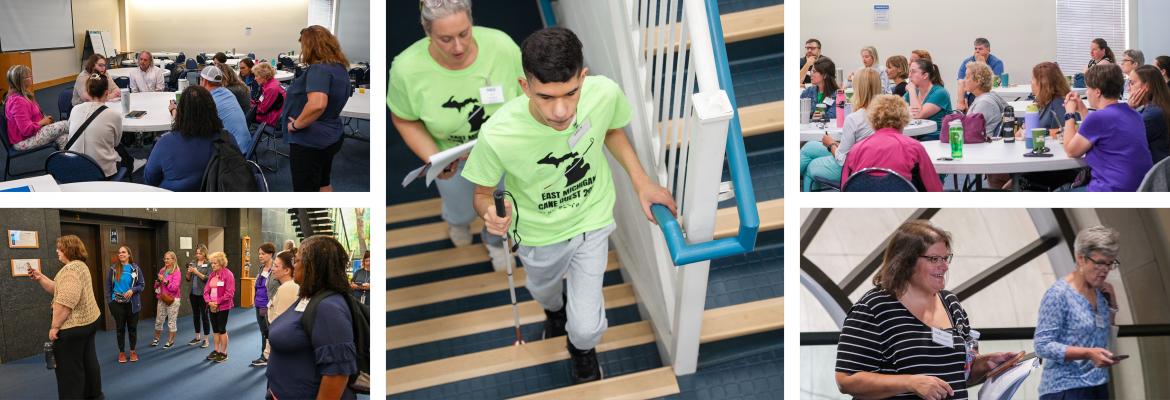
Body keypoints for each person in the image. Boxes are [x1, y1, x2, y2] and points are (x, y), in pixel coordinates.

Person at [462, 27, 677, 384]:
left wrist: (641, 181)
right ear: (524, 85)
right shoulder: (498, 132)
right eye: (546, 97)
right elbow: (482, 194)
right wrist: (488, 214)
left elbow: (610, 129)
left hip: (592, 219)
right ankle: (553, 311)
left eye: (571, 93)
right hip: (536, 233)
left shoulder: (603, 93)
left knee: (587, 326)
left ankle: (581, 349)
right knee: (545, 291)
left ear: (583, 78)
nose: (560, 111)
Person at [388, 0, 518, 266]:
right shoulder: (406, 68)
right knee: (459, 208)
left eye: (464, 34)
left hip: (505, 154)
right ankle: (457, 223)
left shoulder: (502, 46)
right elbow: (404, 119)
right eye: (445, 39)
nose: (458, 47)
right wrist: (433, 156)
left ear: (471, 22)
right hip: (454, 159)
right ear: (427, 33)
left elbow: (527, 97)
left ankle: (494, 241)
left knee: (503, 209)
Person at [835, 221, 1016, 400]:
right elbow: (847, 379)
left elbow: (960, 374)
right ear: (905, 262)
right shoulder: (874, 308)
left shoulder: (951, 303)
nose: (944, 266)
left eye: (946, 258)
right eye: (934, 259)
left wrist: (984, 365)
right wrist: (909, 383)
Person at [1035, 226, 1124, 399]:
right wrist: (1087, 353)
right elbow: (1042, 346)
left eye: (1110, 263)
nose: (1105, 269)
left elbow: (1104, 340)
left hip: (1098, 385)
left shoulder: (1100, 294)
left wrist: (1112, 306)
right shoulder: (1059, 294)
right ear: (1081, 258)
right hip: (1065, 389)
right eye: (1100, 262)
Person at [267, 236, 358, 399]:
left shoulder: (329, 307)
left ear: (312, 266)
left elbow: (337, 373)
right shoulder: (309, 297)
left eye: (297, 260)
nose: (294, 265)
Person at [27, 236, 104, 400]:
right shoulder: (80, 266)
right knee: (88, 361)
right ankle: (94, 395)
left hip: (73, 329)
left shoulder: (70, 271)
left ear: (68, 250)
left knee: (68, 372)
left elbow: (65, 302)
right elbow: (59, 289)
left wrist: (55, 327)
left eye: (59, 248)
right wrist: (41, 277)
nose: (57, 251)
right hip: (89, 323)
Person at [282, 25, 352, 192]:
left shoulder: (319, 69)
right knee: (323, 183)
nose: (302, 51)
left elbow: (317, 104)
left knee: (305, 191)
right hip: (330, 135)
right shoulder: (339, 68)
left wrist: (296, 125)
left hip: (310, 141)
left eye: (302, 46)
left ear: (310, 46)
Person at [1062, 64, 1152, 191]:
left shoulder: (1099, 118)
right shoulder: (1134, 114)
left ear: (1097, 92)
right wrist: (1081, 108)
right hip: (1138, 188)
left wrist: (1069, 113)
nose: (1087, 93)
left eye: (1088, 89)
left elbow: (1071, 151)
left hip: (1110, 190)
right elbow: (1096, 129)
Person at [841, 94, 944, 191]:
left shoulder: (856, 150)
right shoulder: (915, 147)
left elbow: (845, 187)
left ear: (872, 119)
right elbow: (934, 189)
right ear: (904, 119)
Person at [145, 86, 238, 191]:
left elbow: (150, 179)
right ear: (212, 109)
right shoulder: (228, 139)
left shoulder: (165, 143)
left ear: (181, 112)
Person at [800, 68, 879, 191]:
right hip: (869, 160)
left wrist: (831, 144)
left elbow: (842, 159)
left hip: (851, 167)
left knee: (810, 165)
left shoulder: (854, 118)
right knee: (809, 147)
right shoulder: (885, 114)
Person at [67, 72, 125, 178]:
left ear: (88, 92)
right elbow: (116, 143)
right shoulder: (114, 115)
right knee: (124, 156)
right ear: (107, 93)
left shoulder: (75, 109)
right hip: (100, 172)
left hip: (73, 168)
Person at [5, 65, 71, 150]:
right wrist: (43, 122)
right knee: (67, 124)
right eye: (29, 76)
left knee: (63, 137)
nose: (31, 78)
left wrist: (44, 120)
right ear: (21, 81)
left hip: (33, 132)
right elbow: (26, 130)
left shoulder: (23, 95)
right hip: (23, 141)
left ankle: (66, 157)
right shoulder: (17, 102)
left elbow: (32, 116)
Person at [197, 65, 250, 153]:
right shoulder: (228, 93)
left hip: (233, 153)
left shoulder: (209, 101)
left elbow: (193, 125)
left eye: (200, 80)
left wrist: (174, 111)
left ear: (205, 82)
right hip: (246, 146)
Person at [106, 245, 144, 363]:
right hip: (117, 304)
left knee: (132, 329)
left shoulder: (135, 269)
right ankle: (121, 353)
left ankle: (132, 351)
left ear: (128, 255)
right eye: (119, 252)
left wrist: (132, 290)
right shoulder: (113, 269)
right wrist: (110, 302)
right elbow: (108, 287)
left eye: (123, 252)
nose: (121, 254)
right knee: (120, 329)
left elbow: (142, 285)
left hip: (132, 304)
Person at [1128, 65, 1170, 165]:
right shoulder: (1154, 106)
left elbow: (1123, 140)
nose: (1128, 88)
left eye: (1132, 83)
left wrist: (1128, 110)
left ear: (1146, 86)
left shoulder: (1153, 114)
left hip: (1153, 175)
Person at [264, 248, 301, 362]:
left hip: (281, 348)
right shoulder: (287, 286)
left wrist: (269, 350)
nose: (272, 269)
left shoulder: (288, 288)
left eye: (276, 266)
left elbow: (281, 323)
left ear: (286, 270)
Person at [904, 58, 952, 141]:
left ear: (925, 75)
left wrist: (911, 90)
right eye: (909, 71)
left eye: (913, 72)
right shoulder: (915, 91)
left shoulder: (940, 93)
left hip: (935, 138)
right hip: (916, 135)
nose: (909, 75)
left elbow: (917, 115)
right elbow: (896, 109)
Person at [955, 62, 1007, 137]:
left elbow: (967, 131)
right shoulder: (985, 97)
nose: (963, 81)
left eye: (967, 77)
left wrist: (960, 98)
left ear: (977, 81)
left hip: (979, 146)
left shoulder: (984, 103)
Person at [204, 251, 236, 363]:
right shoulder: (212, 275)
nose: (213, 265)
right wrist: (209, 302)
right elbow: (206, 291)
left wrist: (216, 302)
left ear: (221, 263)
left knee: (222, 329)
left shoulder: (228, 274)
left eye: (215, 263)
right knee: (215, 330)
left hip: (223, 307)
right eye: (212, 263)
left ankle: (224, 353)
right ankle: (216, 351)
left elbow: (230, 293)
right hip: (211, 306)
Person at [250, 242, 276, 367]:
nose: (260, 256)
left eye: (263, 254)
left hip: (268, 305)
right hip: (258, 303)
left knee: (268, 331)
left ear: (270, 254)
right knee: (263, 331)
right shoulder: (261, 268)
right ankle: (265, 355)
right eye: (259, 254)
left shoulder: (275, 269)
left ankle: (265, 356)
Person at [151, 251, 182, 349]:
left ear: (173, 260)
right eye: (165, 258)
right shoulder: (162, 270)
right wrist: (158, 282)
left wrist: (165, 280)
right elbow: (156, 286)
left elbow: (174, 288)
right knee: (159, 320)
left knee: (171, 321)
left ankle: (170, 340)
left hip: (172, 299)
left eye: (168, 258)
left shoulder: (176, 272)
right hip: (162, 298)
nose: (166, 260)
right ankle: (156, 338)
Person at [186, 244, 212, 348]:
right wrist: (188, 273)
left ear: (204, 253)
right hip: (193, 293)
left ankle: (206, 339)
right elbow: (188, 279)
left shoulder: (209, 264)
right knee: (195, 315)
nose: (198, 255)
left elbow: (208, 279)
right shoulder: (193, 263)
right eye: (196, 253)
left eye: (200, 253)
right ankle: (197, 337)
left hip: (203, 294)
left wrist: (196, 272)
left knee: (205, 316)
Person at [251, 62, 286, 126]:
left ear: (264, 75)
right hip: (271, 113)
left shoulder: (271, 88)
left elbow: (262, 110)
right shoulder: (270, 83)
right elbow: (261, 102)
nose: (255, 78)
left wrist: (251, 105)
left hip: (271, 118)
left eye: (256, 76)